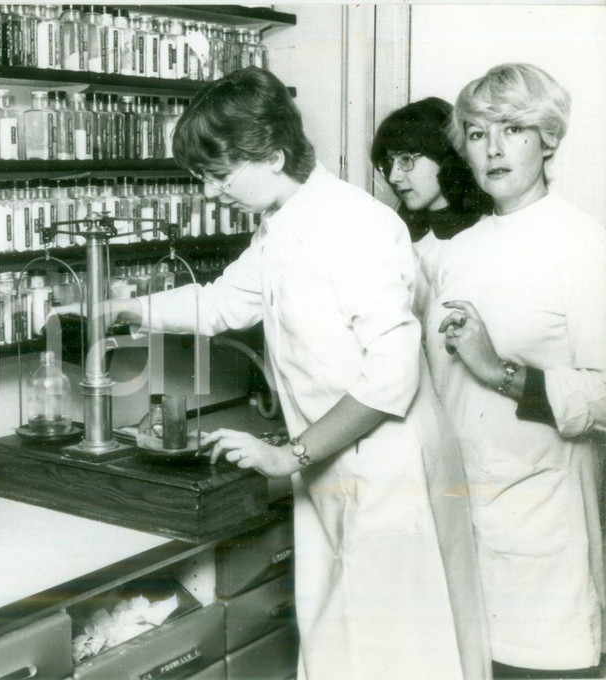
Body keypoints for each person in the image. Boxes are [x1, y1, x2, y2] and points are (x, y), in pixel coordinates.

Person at [96, 67, 490, 679]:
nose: (208, 193)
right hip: (337, 458)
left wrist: (294, 454)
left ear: (274, 155)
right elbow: (224, 303)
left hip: (389, 466)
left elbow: (392, 372)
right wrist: (120, 309)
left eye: (219, 175)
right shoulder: (282, 223)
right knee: (341, 642)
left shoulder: (354, 224)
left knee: (398, 653)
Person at [427, 63, 606, 678]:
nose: (494, 148)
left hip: (543, 526)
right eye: (478, 133)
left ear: (548, 139)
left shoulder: (583, 245)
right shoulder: (456, 250)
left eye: (513, 129)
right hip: (457, 510)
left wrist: (497, 371)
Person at [371, 97, 492, 320]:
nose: (394, 176)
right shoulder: (400, 236)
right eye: (389, 163)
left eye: (406, 159)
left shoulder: (485, 235)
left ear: (444, 155)